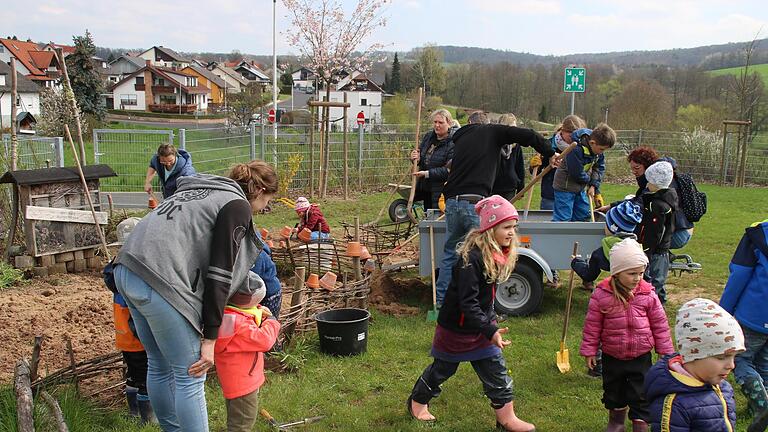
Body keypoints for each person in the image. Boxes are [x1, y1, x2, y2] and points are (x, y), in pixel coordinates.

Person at [113, 160, 278, 432]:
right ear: (259, 190)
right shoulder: (236, 205)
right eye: (267, 202)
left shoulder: (201, 191)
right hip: (158, 278)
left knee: (159, 363)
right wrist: (210, 338)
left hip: (126, 269)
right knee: (191, 373)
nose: (264, 210)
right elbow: (220, 273)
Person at [408, 196, 535, 432]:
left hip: (481, 325)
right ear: (490, 228)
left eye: (513, 227)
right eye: (507, 227)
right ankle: (417, 403)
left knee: (496, 369)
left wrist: (490, 324)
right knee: (443, 369)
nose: (512, 233)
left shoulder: (497, 254)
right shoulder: (470, 260)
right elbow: (468, 303)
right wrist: (490, 329)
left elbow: (485, 299)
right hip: (456, 328)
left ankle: (507, 418)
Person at [435, 111, 557, 307]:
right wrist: (550, 152)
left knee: (451, 253)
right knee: (484, 255)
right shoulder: (492, 131)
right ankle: (482, 306)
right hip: (474, 203)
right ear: (486, 123)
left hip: (452, 203)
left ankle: (442, 302)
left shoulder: (461, 137)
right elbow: (527, 135)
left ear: (469, 123)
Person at [580, 238, 674, 432]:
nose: (638, 278)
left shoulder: (648, 294)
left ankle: (640, 424)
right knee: (614, 392)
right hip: (612, 355)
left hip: (641, 356)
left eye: (641, 273)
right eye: (632, 273)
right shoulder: (602, 295)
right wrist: (590, 350)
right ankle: (616, 422)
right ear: (616, 273)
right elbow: (592, 325)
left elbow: (660, 324)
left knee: (641, 393)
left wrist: (665, 350)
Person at [644, 298, 746, 432]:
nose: (731, 365)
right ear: (693, 355)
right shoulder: (675, 404)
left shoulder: (721, 386)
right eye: (721, 357)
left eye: (734, 356)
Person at [215, 270, 281, 432]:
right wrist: (271, 321)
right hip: (244, 382)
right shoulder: (240, 325)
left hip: (233, 379)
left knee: (236, 414)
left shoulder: (227, 315)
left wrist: (257, 310)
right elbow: (264, 340)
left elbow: (242, 311)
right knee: (242, 424)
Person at [719, 219, 768, 432]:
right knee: (764, 364)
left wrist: (724, 312)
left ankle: (762, 405)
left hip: (754, 315)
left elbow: (739, 274)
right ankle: (755, 409)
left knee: (740, 359)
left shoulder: (758, 234)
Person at [104, 259, 156, 424]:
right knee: (145, 379)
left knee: (133, 376)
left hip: (124, 339)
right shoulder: (132, 289)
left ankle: (133, 412)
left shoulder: (117, 282)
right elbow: (137, 320)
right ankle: (147, 419)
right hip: (137, 341)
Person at [571, 200, 644, 290]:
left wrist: (575, 262)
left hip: (613, 294)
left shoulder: (600, 253)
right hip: (636, 292)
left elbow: (589, 276)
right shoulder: (638, 250)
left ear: (612, 227)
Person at [552, 124, 615, 222]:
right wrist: (589, 181)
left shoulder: (598, 153)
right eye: (602, 149)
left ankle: (578, 236)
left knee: (583, 214)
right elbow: (576, 173)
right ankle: (560, 236)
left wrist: (594, 186)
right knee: (563, 218)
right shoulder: (576, 149)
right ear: (592, 142)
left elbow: (598, 168)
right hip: (565, 187)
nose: (602, 152)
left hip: (580, 187)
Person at [636, 161, 678, 304]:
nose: (647, 185)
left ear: (657, 184)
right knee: (653, 279)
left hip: (656, 251)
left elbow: (655, 232)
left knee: (654, 281)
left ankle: (657, 306)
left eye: (650, 182)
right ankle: (651, 304)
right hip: (659, 250)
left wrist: (647, 249)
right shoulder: (665, 198)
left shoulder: (657, 206)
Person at [533, 115, 586, 210]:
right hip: (551, 195)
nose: (573, 138)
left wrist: (594, 186)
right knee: (550, 223)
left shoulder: (580, 149)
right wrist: (535, 165)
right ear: (563, 130)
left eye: (577, 136)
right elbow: (536, 173)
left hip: (574, 195)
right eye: (570, 135)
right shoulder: (547, 146)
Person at [410, 109, 456, 210]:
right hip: (426, 187)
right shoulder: (429, 137)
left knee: (437, 220)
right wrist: (416, 158)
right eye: (435, 122)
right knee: (428, 217)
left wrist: (427, 173)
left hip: (441, 191)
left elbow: (448, 170)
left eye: (440, 122)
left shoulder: (454, 142)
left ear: (449, 123)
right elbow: (421, 155)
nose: (437, 125)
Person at [659, 157, 696, 250]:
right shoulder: (680, 182)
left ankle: (659, 260)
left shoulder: (667, 188)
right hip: (687, 229)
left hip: (679, 233)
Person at [492, 113, 525, 201]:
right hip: (493, 185)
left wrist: (521, 188)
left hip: (509, 186)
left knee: (506, 213)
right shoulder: (493, 144)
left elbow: (520, 167)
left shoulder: (516, 145)